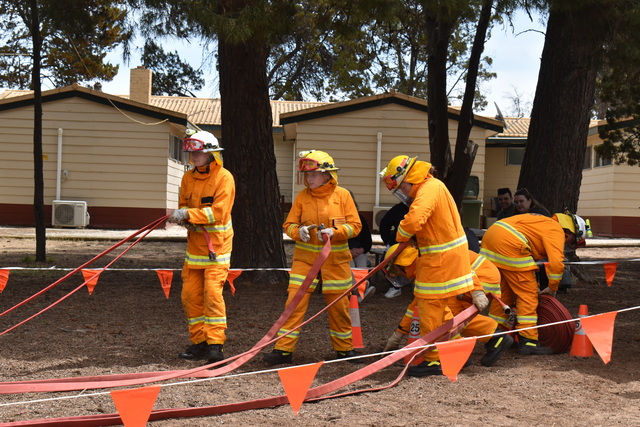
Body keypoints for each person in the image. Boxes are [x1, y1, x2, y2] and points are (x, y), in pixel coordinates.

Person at [379, 155, 485, 377]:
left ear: (410, 177)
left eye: (402, 187)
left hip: (440, 261)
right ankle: (458, 351)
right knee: (440, 311)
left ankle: (434, 360)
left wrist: (401, 235)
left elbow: (416, 217)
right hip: (441, 258)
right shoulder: (432, 187)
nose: (404, 193)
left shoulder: (429, 188)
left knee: (429, 309)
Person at [263, 150, 362, 365]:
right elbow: (289, 225)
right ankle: (283, 349)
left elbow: (356, 226)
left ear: (328, 175)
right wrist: (300, 233)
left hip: (336, 263)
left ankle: (345, 349)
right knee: (293, 304)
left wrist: (336, 233)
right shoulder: (302, 197)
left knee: (339, 307)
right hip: (304, 261)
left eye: (314, 175)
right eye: (307, 175)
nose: (309, 179)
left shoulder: (343, 195)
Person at [382, 246, 513, 368]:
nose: (399, 275)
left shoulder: (429, 262)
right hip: (478, 276)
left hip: (479, 276)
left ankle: (471, 347)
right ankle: (491, 337)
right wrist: (398, 334)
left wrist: (476, 291)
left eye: (396, 270)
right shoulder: (423, 266)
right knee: (442, 312)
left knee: (443, 313)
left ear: (404, 262)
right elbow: (417, 304)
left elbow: (462, 271)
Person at [168, 130, 235, 364]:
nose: (193, 157)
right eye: (191, 153)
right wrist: (182, 217)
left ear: (210, 152)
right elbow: (185, 206)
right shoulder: (188, 178)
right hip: (194, 249)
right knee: (190, 296)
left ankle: (215, 345)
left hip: (218, 250)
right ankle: (199, 343)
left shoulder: (224, 178)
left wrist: (188, 214)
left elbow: (218, 213)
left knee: (213, 296)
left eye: (198, 153)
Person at [479, 212, 586, 355]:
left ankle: (496, 337)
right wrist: (552, 287)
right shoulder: (555, 229)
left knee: (503, 295)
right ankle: (528, 340)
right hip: (510, 244)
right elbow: (556, 263)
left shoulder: (543, 222)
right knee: (528, 295)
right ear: (569, 231)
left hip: (492, 238)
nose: (567, 244)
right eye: (572, 241)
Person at [348, 190, 375, 302]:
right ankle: (361, 290)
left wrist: (361, 249)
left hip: (359, 251)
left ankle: (359, 292)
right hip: (343, 252)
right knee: (350, 265)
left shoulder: (361, 219)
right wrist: (348, 251)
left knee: (361, 263)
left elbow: (367, 241)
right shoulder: (337, 220)